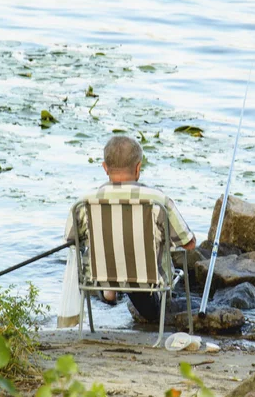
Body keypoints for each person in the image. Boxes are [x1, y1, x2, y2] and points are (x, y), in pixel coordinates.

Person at [64, 135, 195, 322]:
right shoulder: (158, 201)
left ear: (105, 168)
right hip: (147, 280)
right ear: (138, 167)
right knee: (155, 263)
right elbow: (188, 243)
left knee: (101, 251)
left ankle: (110, 287)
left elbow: (70, 240)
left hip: (100, 275)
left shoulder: (84, 202)